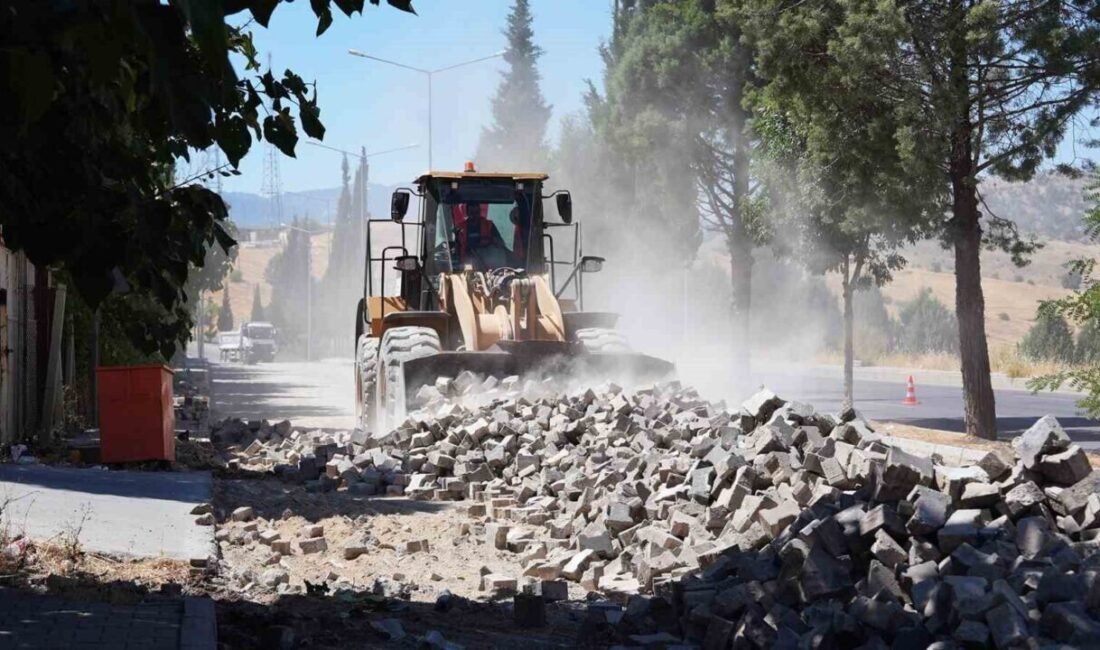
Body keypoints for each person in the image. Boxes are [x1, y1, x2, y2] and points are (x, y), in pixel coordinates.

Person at [454, 202, 519, 269]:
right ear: (467, 213)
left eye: (476, 212)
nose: (474, 215)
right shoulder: (460, 227)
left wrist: (491, 241)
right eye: (472, 212)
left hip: (487, 263)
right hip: (467, 264)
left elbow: (500, 242)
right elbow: (456, 247)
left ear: (479, 212)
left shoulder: (488, 225)